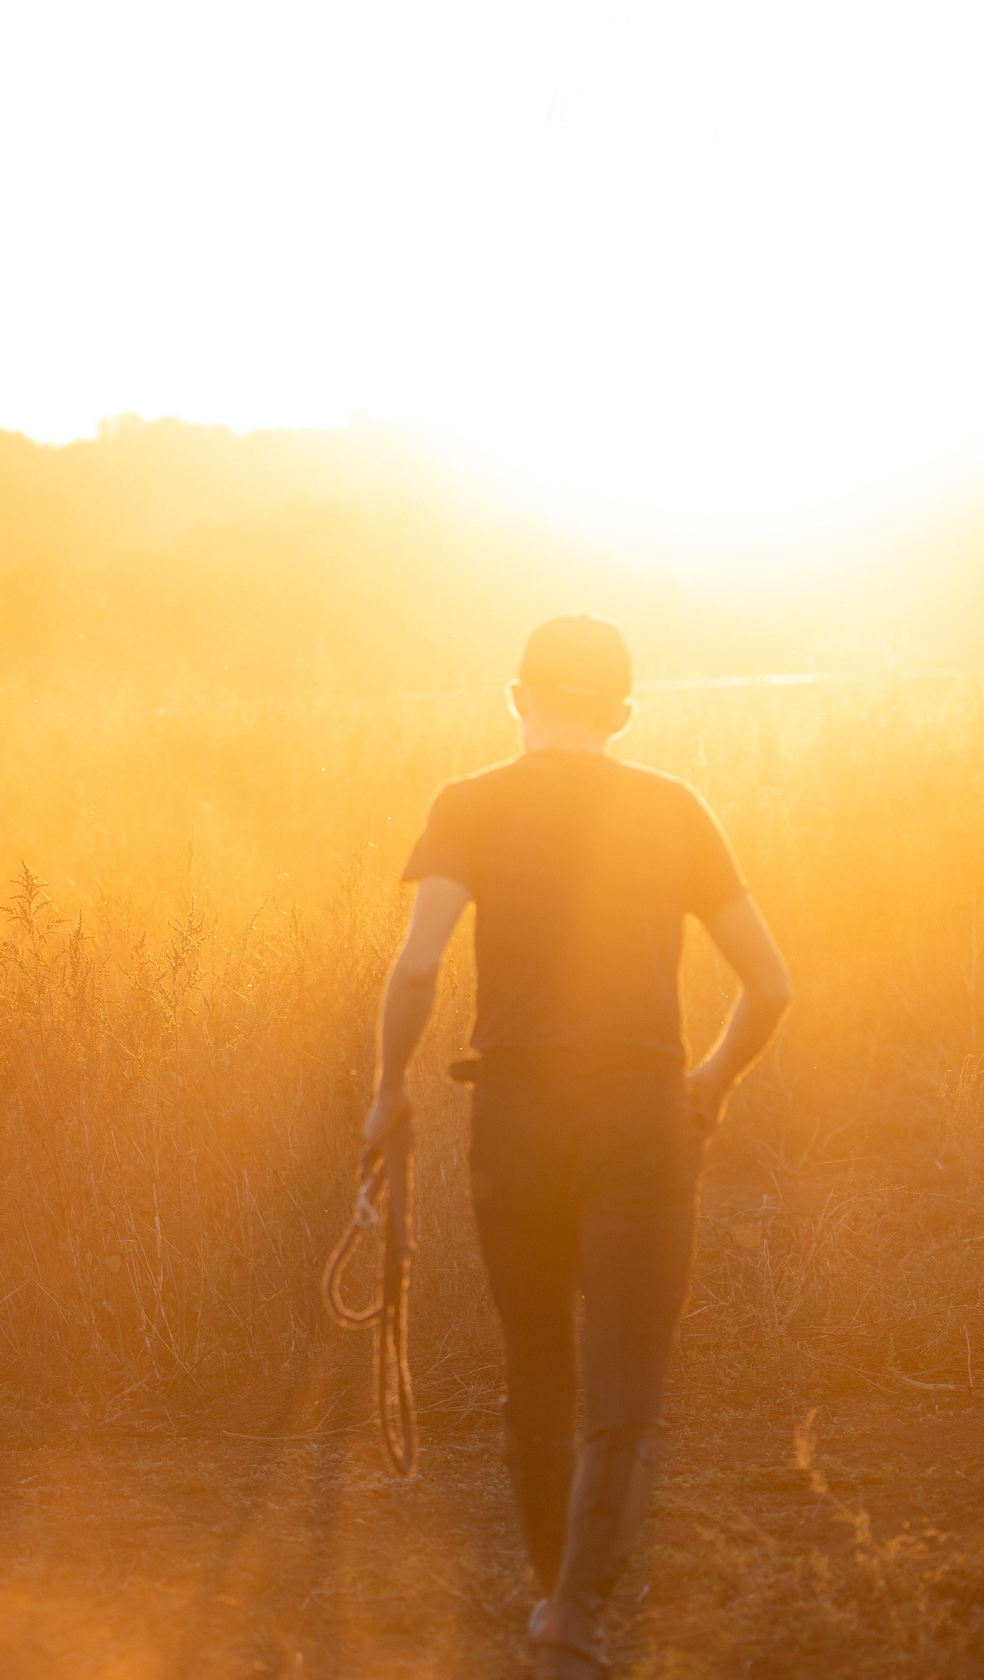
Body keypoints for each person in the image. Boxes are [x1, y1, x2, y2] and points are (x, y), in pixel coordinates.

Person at [365, 615, 792, 1679]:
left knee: (537, 1368)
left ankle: (557, 1598)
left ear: (517, 698)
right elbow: (770, 984)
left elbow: (417, 967)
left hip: (513, 1117)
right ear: (623, 715)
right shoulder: (675, 808)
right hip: (643, 1118)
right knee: (625, 1388)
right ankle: (575, 1619)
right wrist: (708, 1084)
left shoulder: (468, 804)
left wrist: (386, 1092)